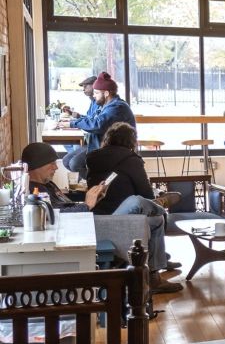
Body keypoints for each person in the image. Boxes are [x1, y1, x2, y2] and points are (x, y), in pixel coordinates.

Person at [23, 135, 181, 294]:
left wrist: (94, 199)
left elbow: (65, 208)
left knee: (156, 220)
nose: (55, 168)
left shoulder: (47, 184)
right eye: (51, 164)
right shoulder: (35, 192)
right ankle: (160, 204)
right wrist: (87, 205)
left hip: (91, 222)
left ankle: (154, 279)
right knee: (135, 201)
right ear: (37, 165)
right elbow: (58, 218)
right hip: (88, 230)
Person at [64, 72, 135, 177]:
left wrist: (72, 123)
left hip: (112, 150)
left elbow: (98, 124)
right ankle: (92, 184)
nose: (94, 95)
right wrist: (75, 120)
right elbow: (92, 119)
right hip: (98, 145)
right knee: (66, 161)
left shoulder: (117, 107)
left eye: (96, 93)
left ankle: (97, 184)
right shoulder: (106, 105)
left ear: (106, 93)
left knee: (75, 164)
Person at [60, 75, 98, 173]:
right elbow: (90, 119)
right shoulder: (93, 102)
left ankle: (93, 182)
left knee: (73, 163)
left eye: (86, 86)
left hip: (97, 144)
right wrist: (78, 116)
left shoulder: (100, 103)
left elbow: (94, 124)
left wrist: (72, 123)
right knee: (66, 160)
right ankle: (88, 181)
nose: (83, 89)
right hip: (90, 141)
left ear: (94, 86)